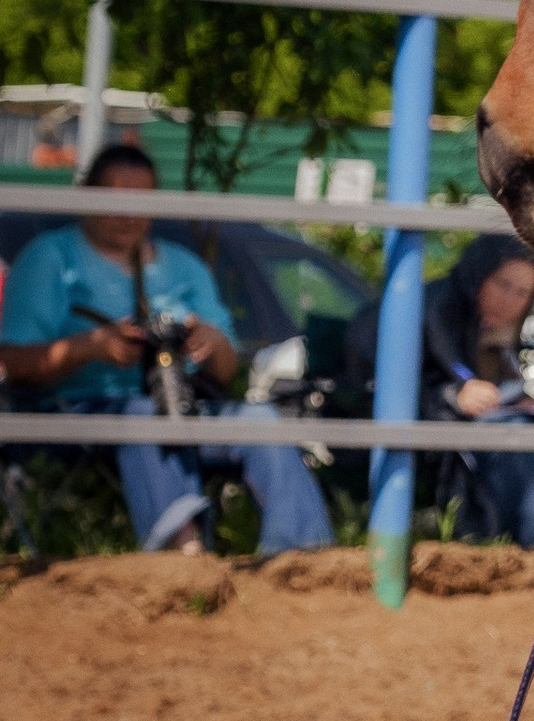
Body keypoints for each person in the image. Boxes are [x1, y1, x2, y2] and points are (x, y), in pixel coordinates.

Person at [0, 141, 334, 558]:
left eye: (142, 201)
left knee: (259, 417)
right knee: (142, 416)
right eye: (116, 200)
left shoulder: (183, 265)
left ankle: (303, 557)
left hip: (180, 408)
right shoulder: (50, 258)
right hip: (75, 414)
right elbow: (13, 363)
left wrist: (209, 344)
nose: (129, 214)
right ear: (87, 197)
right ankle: (183, 556)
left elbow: (226, 370)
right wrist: (90, 348)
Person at [347, 235, 534, 545]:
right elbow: (399, 382)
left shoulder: (488, 323)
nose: (510, 301)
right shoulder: (435, 307)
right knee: (514, 435)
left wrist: (517, 398)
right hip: (398, 428)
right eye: (503, 284)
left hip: (459, 428)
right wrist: (456, 396)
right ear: (480, 274)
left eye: (522, 293)